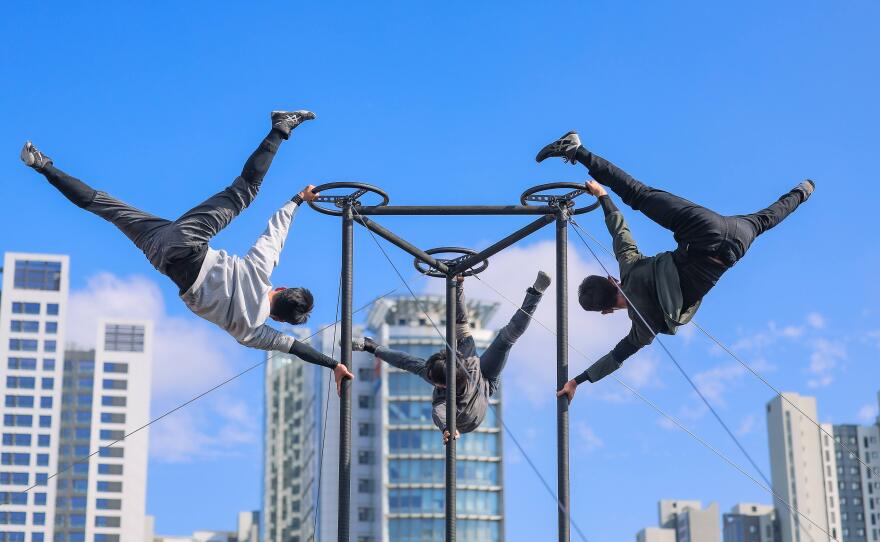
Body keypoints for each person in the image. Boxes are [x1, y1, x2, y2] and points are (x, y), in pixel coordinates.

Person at [21, 110, 353, 394]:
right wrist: (333, 365)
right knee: (104, 207)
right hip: (161, 257)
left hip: (188, 242)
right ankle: (43, 166)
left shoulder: (259, 273)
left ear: (280, 288)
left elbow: (275, 233)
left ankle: (281, 126)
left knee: (245, 191)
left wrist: (297, 200)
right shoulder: (254, 334)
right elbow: (295, 348)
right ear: (278, 319)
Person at [535, 131, 814, 402]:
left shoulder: (645, 328)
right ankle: (576, 150)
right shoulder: (629, 267)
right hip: (704, 228)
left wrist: (577, 381)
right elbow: (619, 229)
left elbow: (615, 358)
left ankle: (802, 192)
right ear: (611, 280)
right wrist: (602, 196)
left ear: (607, 311)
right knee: (637, 193)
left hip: (737, 244)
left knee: (766, 220)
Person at [352, 271, 551, 443]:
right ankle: (533, 295)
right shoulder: (440, 389)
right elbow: (405, 362)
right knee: (489, 337)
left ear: (444, 383)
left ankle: (535, 293)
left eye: (436, 382)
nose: (433, 383)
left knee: (505, 336)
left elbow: (460, 322)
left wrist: (458, 286)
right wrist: (373, 347)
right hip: (472, 409)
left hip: (480, 384)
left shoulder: (465, 360)